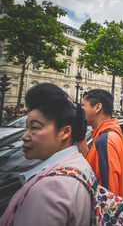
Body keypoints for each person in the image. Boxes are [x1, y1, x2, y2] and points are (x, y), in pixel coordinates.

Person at [1, 83, 92, 226]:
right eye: (27, 127)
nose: (24, 136)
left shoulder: (49, 189)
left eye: (35, 127)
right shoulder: (79, 163)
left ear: (65, 132)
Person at [81, 89, 123, 197]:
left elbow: (108, 193)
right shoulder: (112, 132)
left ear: (97, 107)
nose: (81, 109)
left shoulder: (105, 140)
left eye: (83, 105)